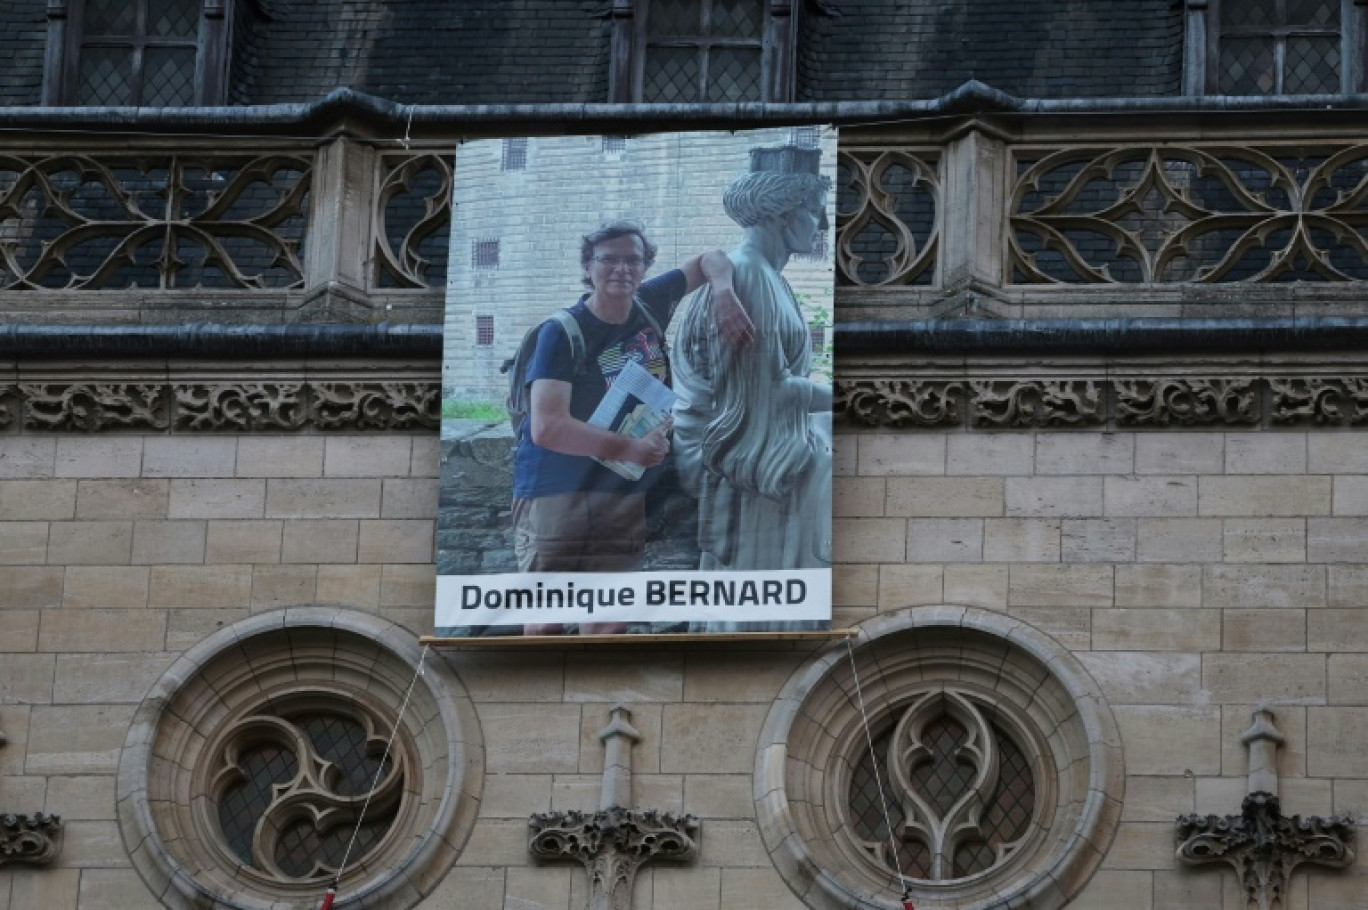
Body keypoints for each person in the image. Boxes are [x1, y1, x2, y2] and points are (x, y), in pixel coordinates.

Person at [515, 220, 750, 634]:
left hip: (620, 490)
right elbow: (548, 427)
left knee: (608, 619)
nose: (621, 269)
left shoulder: (650, 303)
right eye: (608, 260)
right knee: (546, 619)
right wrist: (631, 449)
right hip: (556, 490)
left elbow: (712, 259)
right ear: (588, 267)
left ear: (645, 267)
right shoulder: (561, 331)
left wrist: (724, 293)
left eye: (633, 260)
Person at [673, 146, 833, 581]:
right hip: (737, 452)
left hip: (759, 431)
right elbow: (761, 394)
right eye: (815, 210)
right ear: (783, 214)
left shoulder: (764, 274)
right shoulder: (749, 276)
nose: (823, 224)